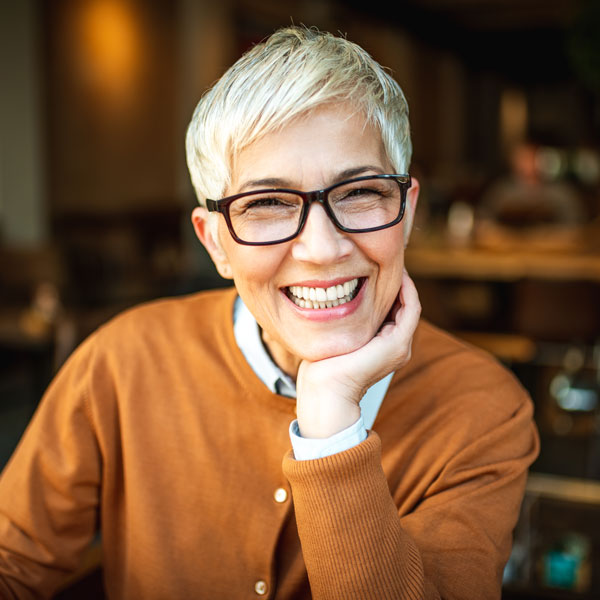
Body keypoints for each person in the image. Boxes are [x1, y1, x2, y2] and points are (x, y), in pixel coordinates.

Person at [0, 26, 539, 599]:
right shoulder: (122, 361)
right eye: (267, 205)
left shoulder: (484, 408)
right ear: (214, 245)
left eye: (359, 193)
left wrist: (332, 425)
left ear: (406, 213)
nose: (322, 248)